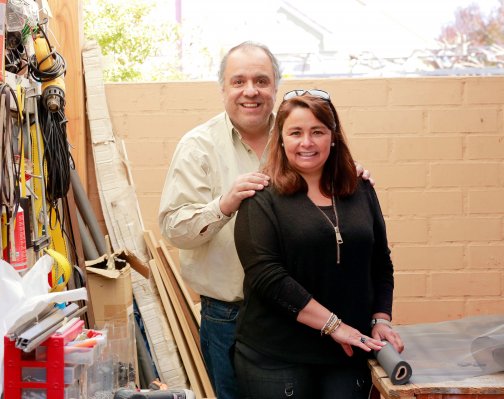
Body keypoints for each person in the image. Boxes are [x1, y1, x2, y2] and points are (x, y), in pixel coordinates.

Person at [158, 42, 372, 399]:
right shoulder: (198, 147)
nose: (250, 91)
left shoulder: (298, 135)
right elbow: (173, 229)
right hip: (229, 316)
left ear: (276, 86)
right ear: (223, 89)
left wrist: (349, 176)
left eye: (261, 80)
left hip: (302, 319)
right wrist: (223, 205)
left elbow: (335, 199)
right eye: (238, 81)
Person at [232, 90, 404, 398]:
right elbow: (267, 276)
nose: (306, 142)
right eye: (295, 133)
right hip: (278, 357)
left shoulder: (360, 188)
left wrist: (380, 319)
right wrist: (334, 326)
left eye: (317, 132)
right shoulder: (261, 196)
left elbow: (380, 261)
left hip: (346, 353)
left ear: (333, 137)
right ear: (281, 140)